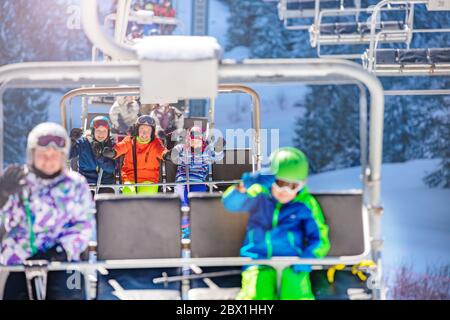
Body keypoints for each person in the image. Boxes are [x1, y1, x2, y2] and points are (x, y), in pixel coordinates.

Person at [0, 122, 95, 299]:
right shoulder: (19, 181)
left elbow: (84, 224)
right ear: (32, 154)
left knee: (67, 293)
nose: (49, 160)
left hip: (62, 261)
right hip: (19, 259)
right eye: (43, 154)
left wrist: (62, 250)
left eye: (55, 155)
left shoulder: (75, 184)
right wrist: (3, 195)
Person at [222, 147, 330, 300]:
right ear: (271, 178)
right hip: (257, 259)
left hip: (292, 262)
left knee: (296, 294)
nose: (285, 191)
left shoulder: (305, 204)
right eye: (280, 183)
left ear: (301, 185)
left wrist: (308, 258)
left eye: (292, 186)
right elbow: (231, 204)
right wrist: (245, 185)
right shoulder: (259, 193)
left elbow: (319, 238)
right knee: (256, 294)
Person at [103, 115, 169, 195]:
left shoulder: (155, 143)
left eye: (148, 130)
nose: (144, 133)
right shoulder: (130, 140)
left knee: (146, 194)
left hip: (149, 179)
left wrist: (167, 155)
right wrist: (113, 152)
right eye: (142, 129)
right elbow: (121, 147)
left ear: (152, 132)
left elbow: (161, 150)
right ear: (137, 130)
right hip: (129, 177)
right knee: (129, 193)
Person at [170, 126, 224, 207]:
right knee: (181, 200)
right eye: (193, 137)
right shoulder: (182, 148)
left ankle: (196, 216)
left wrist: (218, 149)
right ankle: (183, 216)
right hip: (182, 180)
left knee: (197, 202)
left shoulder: (206, 150)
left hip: (198, 180)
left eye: (198, 138)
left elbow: (217, 157)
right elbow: (174, 155)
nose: (195, 140)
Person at [69, 116, 116, 193]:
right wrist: (72, 141)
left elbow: (111, 168)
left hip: (106, 184)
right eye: (98, 130)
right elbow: (68, 155)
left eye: (104, 131)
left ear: (108, 132)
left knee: (106, 201)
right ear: (93, 131)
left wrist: (100, 157)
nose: (101, 134)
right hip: (87, 184)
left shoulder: (111, 145)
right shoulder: (84, 143)